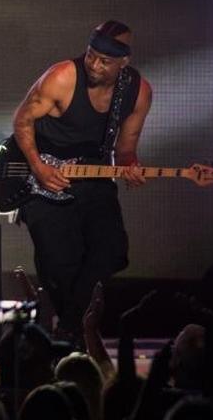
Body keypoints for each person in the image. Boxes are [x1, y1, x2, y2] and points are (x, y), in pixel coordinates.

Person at [11, 20, 152, 339]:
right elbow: (22, 119)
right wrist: (38, 166)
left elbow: (125, 149)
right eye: (91, 55)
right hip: (46, 178)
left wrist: (131, 165)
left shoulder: (138, 92)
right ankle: (74, 337)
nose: (94, 65)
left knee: (112, 249)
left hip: (94, 176)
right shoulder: (62, 77)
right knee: (58, 265)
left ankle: (69, 331)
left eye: (105, 61)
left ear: (123, 61)